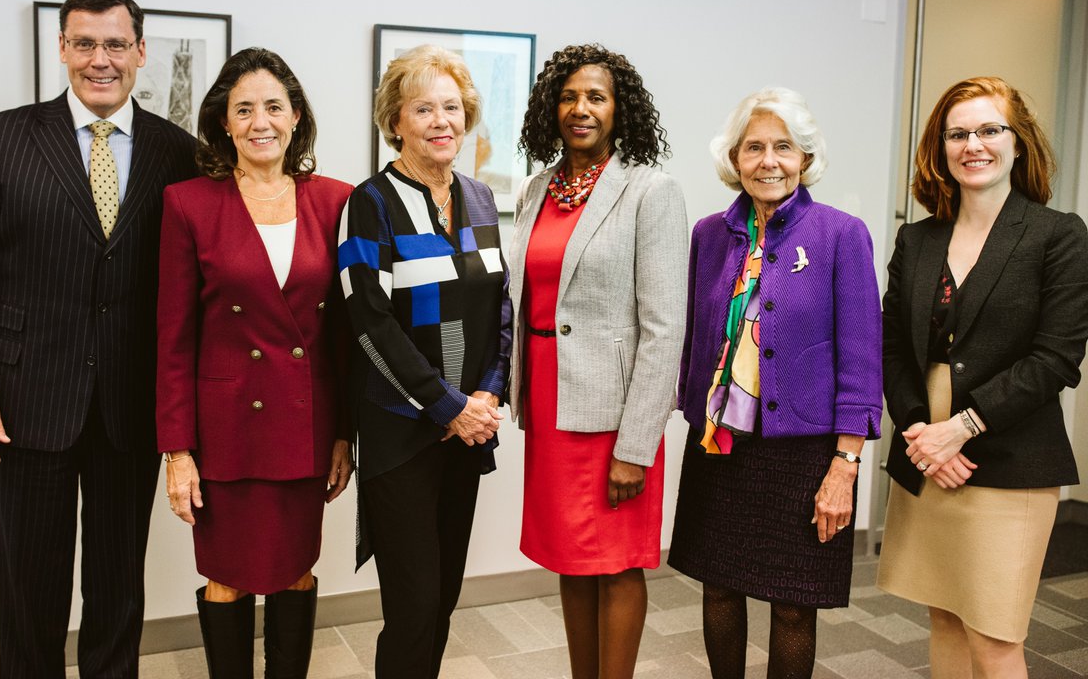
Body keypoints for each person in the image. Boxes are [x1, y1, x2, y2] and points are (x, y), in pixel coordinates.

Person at [0, 0, 198, 677]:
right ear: (62, 49)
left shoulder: (179, 152)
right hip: (23, 405)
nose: (99, 59)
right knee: (29, 593)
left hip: (127, 410)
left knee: (117, 591)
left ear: (140, 52)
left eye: (114, 44)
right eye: (84, 43)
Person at [878, 77, 1087, 678]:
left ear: (1018, 143)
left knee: (996, 636)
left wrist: (960, 429)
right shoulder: (917, 240)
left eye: (990, 130)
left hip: (1009, 453)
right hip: (926, 447)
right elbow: (893, 347)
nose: (974, 144)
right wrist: (922, 432)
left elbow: (1056, 359)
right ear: (941, 147)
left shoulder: (1058, 236)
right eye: (958, 133)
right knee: (944, 616)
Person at [670, 87, 882, 678]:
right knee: (718, 589)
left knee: (792, 606)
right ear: (734, 159)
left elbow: (862, 361)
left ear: (805, 158)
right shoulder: (710, 235)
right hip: (720, 443)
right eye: (754, 147)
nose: (769, 160)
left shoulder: (842, 235)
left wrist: (846, 466)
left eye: (783, 147)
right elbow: (696, 337)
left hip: (805, 451)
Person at [156, 47, 354, 678]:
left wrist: (345, 433)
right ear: (223, 122)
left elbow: (347, 338)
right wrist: (178, 451)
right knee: (227, 579)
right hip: (226, 432)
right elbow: (173, 338)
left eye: (273, 106)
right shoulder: (188, 203)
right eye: (243, 109)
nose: (259, 121)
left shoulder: (337, 201)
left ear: (296, 117)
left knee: (296, 572)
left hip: (305, 424)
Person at [507, 43, 688, 678]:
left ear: (620, 110)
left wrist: (636, 444)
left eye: (596, 97)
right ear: (549, 109)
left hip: (614, 417)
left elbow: (664, 328)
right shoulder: (540, 187)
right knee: (570, 556)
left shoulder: (651, 191)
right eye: (568, 97)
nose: (580, 109)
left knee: (615, 562)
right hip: (553, 403)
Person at [338, 44, 511, 678]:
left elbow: (500, 307)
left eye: (452, 108)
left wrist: (487, 397)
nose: (442, 121)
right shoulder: (372, 202)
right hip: (402, 434)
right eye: (423, 108)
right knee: (412, 607)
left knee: (442, 604)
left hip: (467, 432)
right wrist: (446, 406)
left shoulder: (481, 199)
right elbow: (368, 320)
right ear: (396, 120)